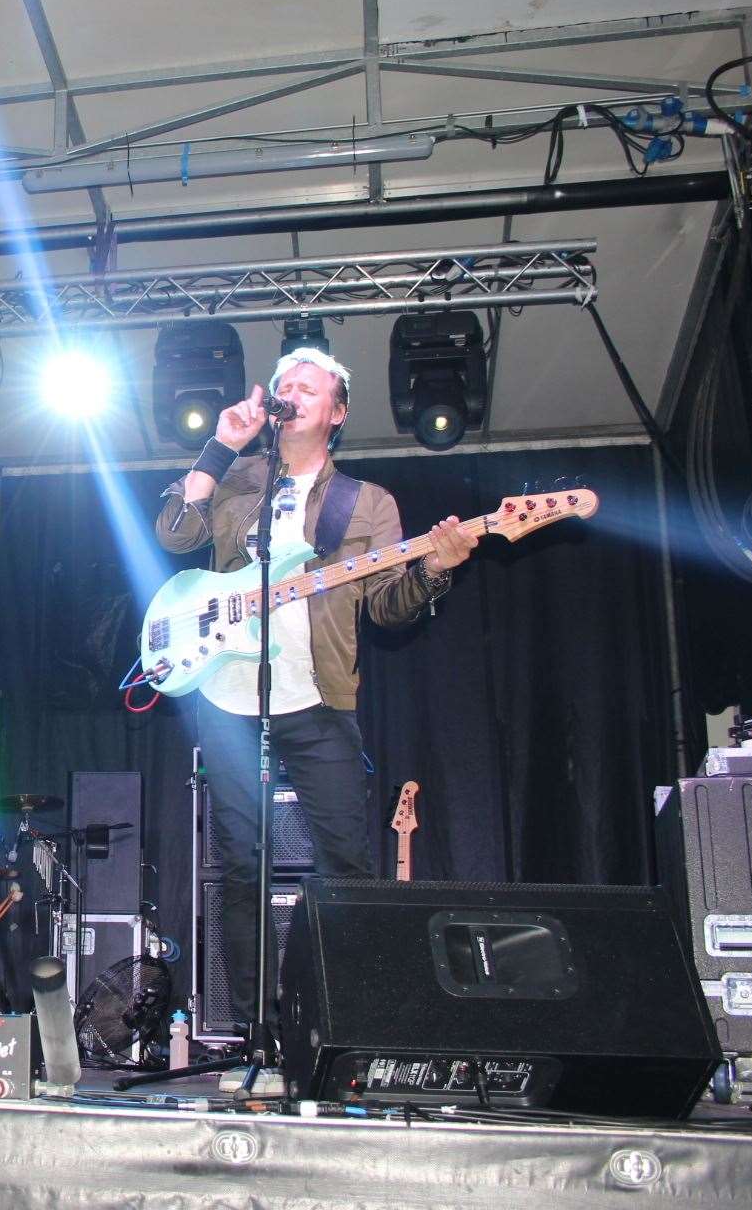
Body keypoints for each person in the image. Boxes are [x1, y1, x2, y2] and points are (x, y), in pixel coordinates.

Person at [154, 348, 477, 1031]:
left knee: (346, 863)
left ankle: (342, 1020)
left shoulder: (368, 503)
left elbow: (389, 608)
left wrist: (435, 570)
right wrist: (221, 445)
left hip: (318, 696)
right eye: (283, 385)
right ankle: (252, 1031)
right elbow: (174, 531)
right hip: (228, 694)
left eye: (308, 386)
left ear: (337, 412)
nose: (290, 391)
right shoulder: (238, 477)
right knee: (242, 866)